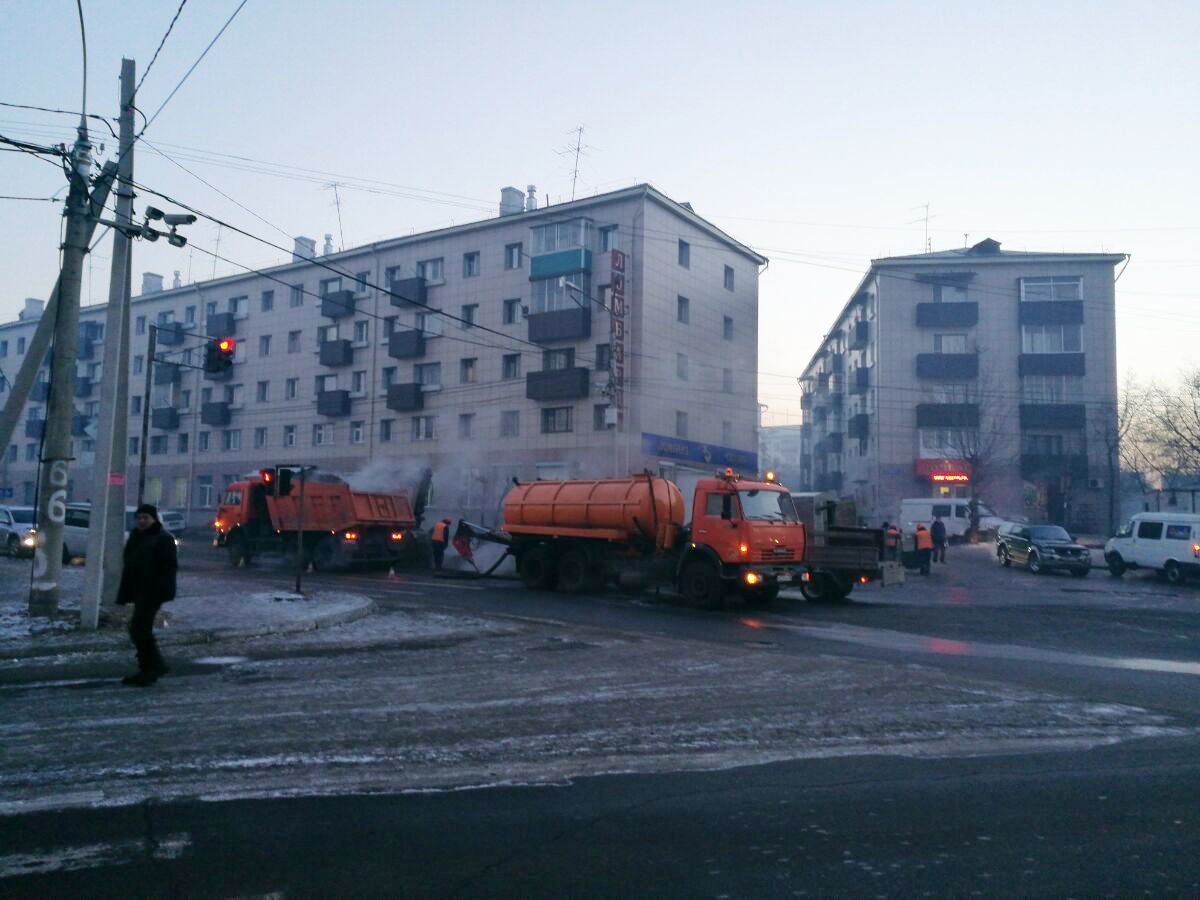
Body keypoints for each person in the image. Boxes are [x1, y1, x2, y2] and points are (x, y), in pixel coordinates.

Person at [116, 504, 178, 687]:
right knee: (139, 629)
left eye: (146, 518)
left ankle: (152, 667)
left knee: (139, 629)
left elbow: (169, 568)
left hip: (153, 592)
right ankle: (151, 667)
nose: (142, 521)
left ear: (154, 519)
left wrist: (160, 590)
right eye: (140, 517)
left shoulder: (163, 539)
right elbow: (129, 564)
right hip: (139, 590)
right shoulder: (136, 536)